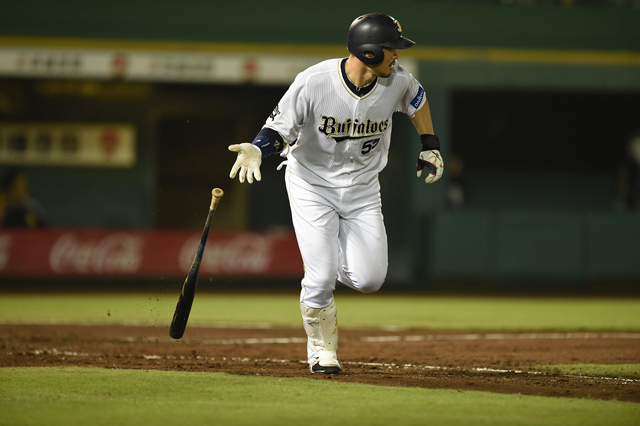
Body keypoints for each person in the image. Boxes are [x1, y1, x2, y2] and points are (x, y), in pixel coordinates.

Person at [228, 13, 444, 374]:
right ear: (370, 52)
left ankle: (327, 260)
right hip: (311, 185)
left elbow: (418, 101)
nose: (397, 55)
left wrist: (429, 143)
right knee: (320, 277)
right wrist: (257, 149)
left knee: (370, 280)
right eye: (391, 48)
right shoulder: (314, 81)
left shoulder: (399, 81)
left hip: (362, 189)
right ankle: (321, 349)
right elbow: (278, 129)